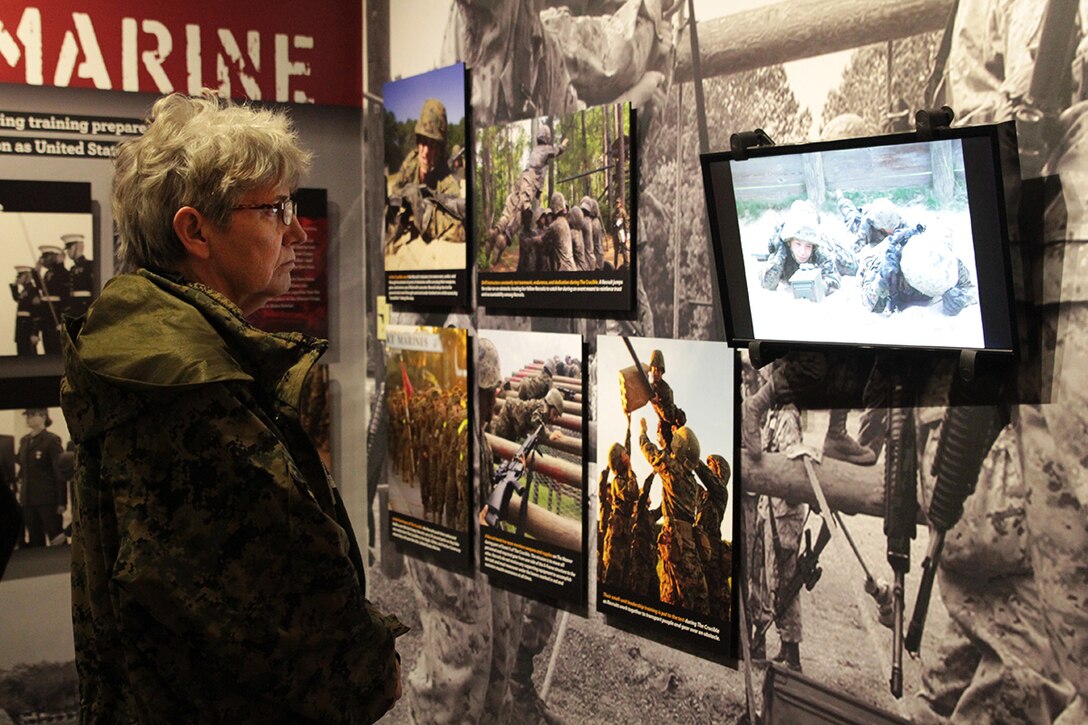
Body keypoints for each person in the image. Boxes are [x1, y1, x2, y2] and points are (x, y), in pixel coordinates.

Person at [59, 91, 404, 723]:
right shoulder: (191, 391)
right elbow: (279, 618)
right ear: (195, 230)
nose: (297, 230)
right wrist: (375, 670)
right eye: (275, 210)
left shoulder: (155, 351)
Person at [639, 418, 710, 616]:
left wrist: (643, 431)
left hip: (676, 548)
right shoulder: (692, 482)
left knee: (671, 602)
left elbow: (649, 452)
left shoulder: (672, 469)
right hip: (691, 549)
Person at [384, 98, 464, 255]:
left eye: (432, 144)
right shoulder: (412, 161)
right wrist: (407, 192)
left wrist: (420, 209)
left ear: (440, 148)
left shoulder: (447, 182)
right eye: (422, 142)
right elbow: (396, 188)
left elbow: (458, 230)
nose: (425, 152)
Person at [858, 226, 977, 316]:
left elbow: (970, 290)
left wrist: (961, 299)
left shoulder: (946, 261)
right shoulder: (885, 264)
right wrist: (881, 283)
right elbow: (869, 304)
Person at [760, 204, 843, 297]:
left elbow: (834, 282)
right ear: (789, 242)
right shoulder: (781, 250)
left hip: (836, 254)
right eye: (798, 244)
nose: (802, 252)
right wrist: (780, 254)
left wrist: (819, 286)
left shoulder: (820, 251)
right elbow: (767, 285)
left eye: (808, 246)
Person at [16, 408, 65, 548]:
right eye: (27, 415)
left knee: (56, 538)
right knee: (35, 540)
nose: (28, 418)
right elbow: (23, 468)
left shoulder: (51, 440)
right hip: (28, 500)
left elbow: (58, 472)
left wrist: (62, 501)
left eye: (32, 415)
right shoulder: (25, 441)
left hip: (48, 500)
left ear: (43, 417)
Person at [36, 243, 68, 354]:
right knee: (48, 346)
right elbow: (41, 288)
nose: (43, 260)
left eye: (46, 257)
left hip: (56, 312)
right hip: (46, 314)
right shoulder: (47, 274)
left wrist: (62, 320)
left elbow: (65, 298)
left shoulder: (62, 272)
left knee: (56, 347)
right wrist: (37, 272)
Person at [10, 264, 41, 355]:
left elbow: (37, 313)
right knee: (21, 353)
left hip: (28, 327)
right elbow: (17, 298)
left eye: (20, 276)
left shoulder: (33, 291)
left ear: (26, 276)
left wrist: (35, 333)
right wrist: (14, 286)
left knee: (30, 356)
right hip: (21, 328)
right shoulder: (24, 291)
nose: (18, 278)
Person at [63, 233, 94, 318]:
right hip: (74, 307)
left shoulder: (89, 265)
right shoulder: (72, 268)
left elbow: (94, 287)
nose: (68, 252)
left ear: (79, 247)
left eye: (70, 248)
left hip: (85, 306)